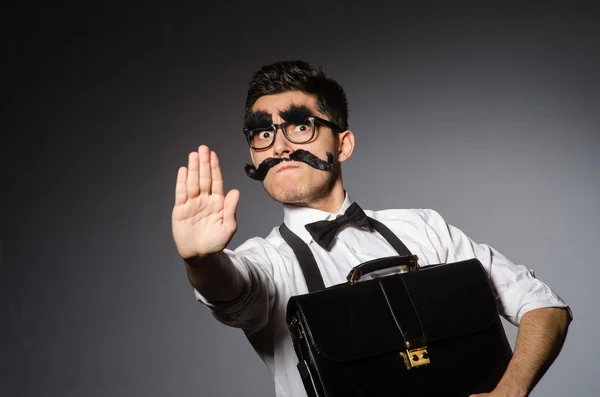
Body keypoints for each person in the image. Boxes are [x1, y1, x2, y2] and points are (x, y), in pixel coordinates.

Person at [171, 60, 571, 397]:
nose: (279, 146)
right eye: (263, 133)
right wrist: (201, 260)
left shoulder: (423, 226)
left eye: (299, 126)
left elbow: (544, 306)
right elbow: (232, 292)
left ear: (343, 145)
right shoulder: (267, 261)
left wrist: (511, 390)